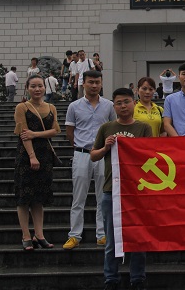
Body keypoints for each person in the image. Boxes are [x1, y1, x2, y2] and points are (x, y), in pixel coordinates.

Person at [90, 88, 152, 290]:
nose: (123, 106)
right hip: (111, 190)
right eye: (118, 103)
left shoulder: (143, 128)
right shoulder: (107, 128)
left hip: (136, 191)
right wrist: (106, 148)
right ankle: (111, 278)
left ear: (134, 103)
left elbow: (151, 155)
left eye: (126, 102)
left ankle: (138, 278)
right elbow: (93, 155)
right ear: (114, 106)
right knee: (111, 238)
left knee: (138, 238)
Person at [63, 70, 117, 250]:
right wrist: (80, 147)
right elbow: (70, 132)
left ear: (101, 83)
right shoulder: (74, 106)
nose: (94, 85)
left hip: (102, 154)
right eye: (91, 82)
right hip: (82, 153)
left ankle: (102, 234)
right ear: (83, 83)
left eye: (97, 82)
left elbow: (113, 127)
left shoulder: (109, 106)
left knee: (103, 196)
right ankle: (74, 235)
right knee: (78, 197)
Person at [14, 74, 61, 251]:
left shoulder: (51, 107)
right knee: (24, 197)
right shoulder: (22, 107)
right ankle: (26, 235)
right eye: (33, 86)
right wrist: (32, 156)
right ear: (27, 88)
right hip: (26, 156)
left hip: (45, 156)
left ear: (45, 87)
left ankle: (39, 235)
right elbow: (23, 134)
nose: (37, 89)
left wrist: (35, 134)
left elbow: (55, 130)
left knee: (39, 198)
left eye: (40, 86)